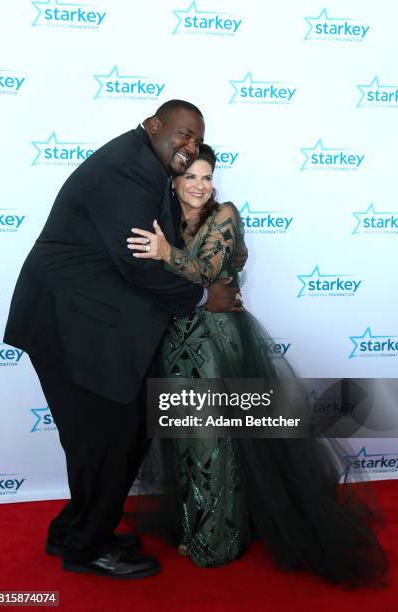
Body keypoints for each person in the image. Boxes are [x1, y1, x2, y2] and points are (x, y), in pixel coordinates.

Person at [126, 144, 388, 587]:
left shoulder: (224, 215)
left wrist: (164, 252)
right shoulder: (165, 219)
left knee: (216, 444)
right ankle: (194, 525)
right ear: (173, 182)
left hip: (215, 342)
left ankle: (219, 539)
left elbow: (207, 270)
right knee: (186, 442)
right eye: (191, 177)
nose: (200, 186)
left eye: (207, 177)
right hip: (174, 342)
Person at [3, 101, 242, 579]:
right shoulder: (128, 170)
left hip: (83, 321)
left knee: (107, 437)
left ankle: (76, 529)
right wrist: (201, 298)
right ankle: (88, 547)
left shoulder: (139, 163)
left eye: (197, 140)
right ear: (154, 126)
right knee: (111, 437)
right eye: (182, 134)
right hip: (71, 324)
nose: (189, 147)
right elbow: (135, 261)